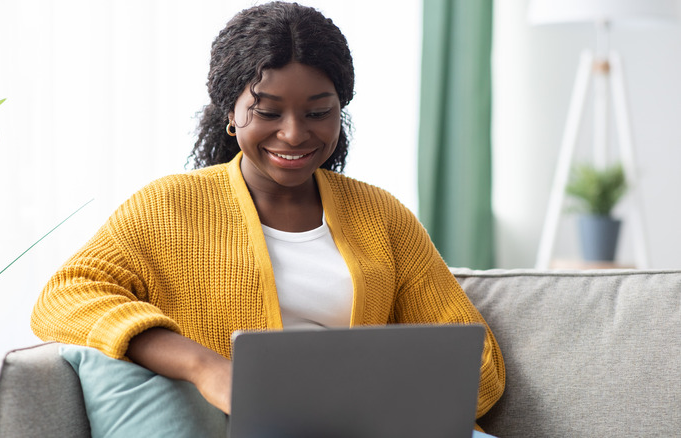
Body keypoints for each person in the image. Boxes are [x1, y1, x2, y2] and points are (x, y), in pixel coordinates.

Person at [31, 1, 505, 434]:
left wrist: (383, 397)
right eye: (267, 111)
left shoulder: (381, 215)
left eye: (319, 111)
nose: (295, 134)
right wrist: (205, 367)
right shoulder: (168, 207)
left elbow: (480, 366)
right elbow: (64, 296)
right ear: (231, 114)